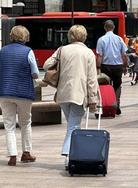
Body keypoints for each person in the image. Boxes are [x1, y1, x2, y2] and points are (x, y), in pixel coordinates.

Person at [43, 25, 99, 169]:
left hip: (63, 94)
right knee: (73, 126)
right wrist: (93, 100)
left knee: (72, 125)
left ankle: (72, 155)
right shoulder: (88, 53)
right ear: (84, 36)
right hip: (79, 94)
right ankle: (68, 155)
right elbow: (92, 79)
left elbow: (46, 64)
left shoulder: (62, 50)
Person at [0, 25, 39, 166]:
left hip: (5, 92)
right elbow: (35, 73)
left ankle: (12, 155)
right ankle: (26, 153)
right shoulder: (28, 51)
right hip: (24, 92)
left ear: (12, 36)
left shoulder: (3, 50)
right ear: (25, 37)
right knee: (25, 123)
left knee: (9, 125)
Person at [96, 20, 128, 115]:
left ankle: (107, 104)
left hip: (106, 66)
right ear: (113, 27)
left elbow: (99, 56)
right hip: (118, 66)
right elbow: (124, 55)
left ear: (105, 28)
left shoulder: (101, 40)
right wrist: (125, 66)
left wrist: (98, 68)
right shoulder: (119, 39)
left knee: (105, 85)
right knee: (117, 86)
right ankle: (117, 104)